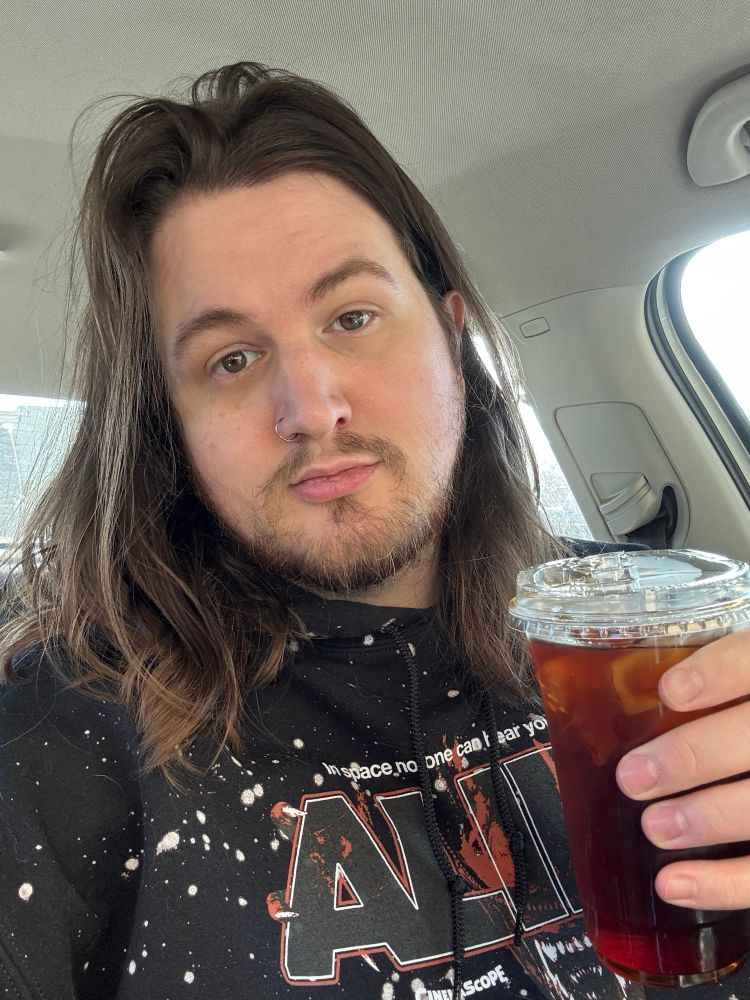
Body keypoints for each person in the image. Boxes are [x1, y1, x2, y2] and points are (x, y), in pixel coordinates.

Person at [0, 63, 748, 1000]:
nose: (311, 408)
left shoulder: (651, 639)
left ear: (452, 339)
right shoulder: (65, 733)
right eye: (230, 358)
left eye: (352, 316)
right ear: (169, 426)